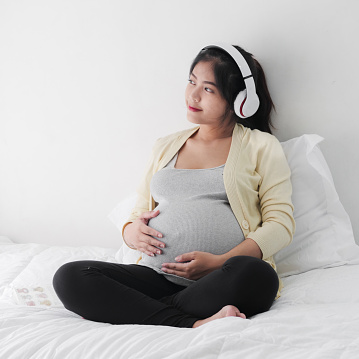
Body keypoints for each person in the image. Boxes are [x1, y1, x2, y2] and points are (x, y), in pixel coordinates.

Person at [53, 44, 295, 328]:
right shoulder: (165, 146)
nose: (193, 95)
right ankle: (191, 322)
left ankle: (138, 311)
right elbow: (139, 210)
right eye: (192, 82)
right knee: (70, 276)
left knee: (258, 275)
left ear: (239, 100)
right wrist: (131, 232)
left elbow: (280, 224)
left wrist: (220, 262)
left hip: (221, 280)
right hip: (156, 277)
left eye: (208, 89)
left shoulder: (261, 146)